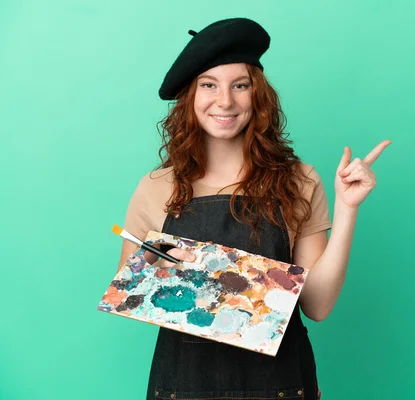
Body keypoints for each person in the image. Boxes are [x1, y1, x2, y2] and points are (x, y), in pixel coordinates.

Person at [117, 17, 391, 400]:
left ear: (257, 94)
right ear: (190, 98)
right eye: (208, 85)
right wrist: (164, 265)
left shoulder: (299, 180)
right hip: (183, 386)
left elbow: (317, 304)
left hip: (279, 384)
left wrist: (347, 209)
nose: (225, 101)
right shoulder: (155, 187)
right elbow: (132, 291)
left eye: (240, 85)